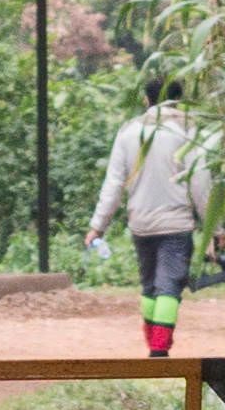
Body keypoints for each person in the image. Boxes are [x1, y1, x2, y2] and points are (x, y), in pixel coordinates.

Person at [89, 75, 214, 359]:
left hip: (140, 223)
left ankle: (152, 343)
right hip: (176, 223)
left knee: (149, 286)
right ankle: (159, 349)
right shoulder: (187, 131)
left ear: (147, 100)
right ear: (179, 100)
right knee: (169, 285)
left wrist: (98, 226)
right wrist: (212, 226)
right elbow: (201, 183)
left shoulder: (128, 131)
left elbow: (113, 184)